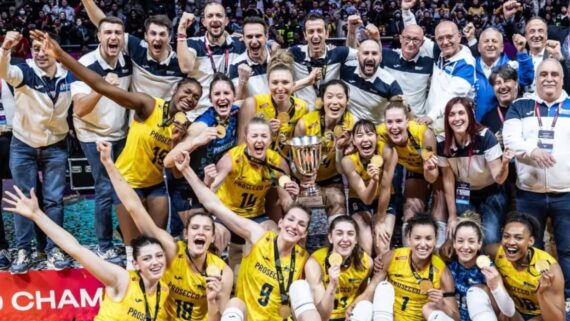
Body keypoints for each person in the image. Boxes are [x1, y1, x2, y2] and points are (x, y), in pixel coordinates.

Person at [30, 29, 205, 269]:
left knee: (157, 244)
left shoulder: (186, 126)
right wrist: (60, 55)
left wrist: (176, 142)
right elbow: (102, 85)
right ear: (175, 91)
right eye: (187, 92)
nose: (190, 98)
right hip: (127, 181)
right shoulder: (148, 104)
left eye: (196, 97)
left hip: (155, 184)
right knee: (135, 250)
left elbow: (175, 174)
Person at [98, 140, 233, 321]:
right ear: (186, 234)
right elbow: (134, 207)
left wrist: (212, 301)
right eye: (195, 227)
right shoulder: (171, 251)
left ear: (212, 237)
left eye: (206, 229)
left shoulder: (223, 272)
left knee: (236, 304)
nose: (200, 232)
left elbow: (216, 319)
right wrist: (108, 163)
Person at [174, 151, 310, 321]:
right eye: (290, 220)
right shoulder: (260, 236)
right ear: (281, 222)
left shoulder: (306, 261)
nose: (294, 226)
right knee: (235, 304)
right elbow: (213, 205)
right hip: (246, 317)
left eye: (301, 224)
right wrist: (186, 169)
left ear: (305, 232)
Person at [2, 187, 169, 321]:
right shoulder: (122, 280)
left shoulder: (165, 292)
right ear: (137, 264)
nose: (155, 262)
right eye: (147, 258)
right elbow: (76, 250)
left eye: (159, 256)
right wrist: (37, 215)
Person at [0, 31, 73, 273]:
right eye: (35, 48)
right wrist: (6, 49)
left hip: (56, 145)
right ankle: (23, 250)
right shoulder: (26, 71)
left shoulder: (69, 74)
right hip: (23, 144)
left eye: (45, 48)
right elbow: (5, 72)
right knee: (23, 199)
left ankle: (54, 247)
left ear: (56, 50)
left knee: (53, 201)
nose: (40, 53)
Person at [503, 58, 570, 304]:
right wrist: (532, 151)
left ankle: (567, 298)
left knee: (568, 250)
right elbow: (509, 139)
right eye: (543, 74)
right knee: (533, 250)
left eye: (554, 74)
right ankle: (535, 295)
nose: (549, 78)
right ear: (536, 78)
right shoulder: (520, 106)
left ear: (562, 79)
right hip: (528, 194)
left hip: (567, 193)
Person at [70, 16, 132, 264]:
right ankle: (104, 245)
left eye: (118, 32)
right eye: (108, 32)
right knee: (105, 189)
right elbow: (79, 110)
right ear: (99, 36)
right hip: (93, 135)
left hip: (120, 133)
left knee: (127, 190)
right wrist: (101, 87)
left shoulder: (127, 61)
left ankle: (124, 236)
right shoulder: (85, 65)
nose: (113, 37)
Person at [208, 117, 299, 268]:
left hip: (255, 216)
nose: (259, 140)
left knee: (274, 235)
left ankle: (268, 278)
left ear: (270, 140)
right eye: (254, 136)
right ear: (246, 139)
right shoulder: (231, 158)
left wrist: (294, 196)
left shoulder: (278, 162)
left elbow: (286, 201)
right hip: (228, 215)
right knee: (215, 235)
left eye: (264, 136)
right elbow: (212, 188)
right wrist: (209, 180)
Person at [164, 73, 240, 249]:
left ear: (234, 96)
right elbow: (168, 161)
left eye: (226, 94)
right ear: (211, 99)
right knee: (190, 240)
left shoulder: (236, 111)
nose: (222, 98)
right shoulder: (202, 125)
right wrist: (196, 142)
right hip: (186, 187)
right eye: (217, 94)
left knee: (209, 238)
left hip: (209, 184)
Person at [353, 213, 460, 321]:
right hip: (387, 318)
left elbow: (456, 318)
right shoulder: (392, 257)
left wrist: (442, 304)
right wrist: (354, 307)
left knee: (431, 309)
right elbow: (370, 291)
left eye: (428, 238)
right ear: (409, 238)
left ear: (435, 239)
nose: (423, 244)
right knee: (381, 290)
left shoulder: (443, 272)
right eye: (417, 238)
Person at [437, 97, 512, 243]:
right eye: (452, 114)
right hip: (464, 192)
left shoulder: (485, 137)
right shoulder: (441, 142)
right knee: (465, 235)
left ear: (470, 115)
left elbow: (500, 178)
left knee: (490, 239)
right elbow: (447, 179)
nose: (456, 118)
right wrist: (452, 216)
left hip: (491, 191)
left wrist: (505, 165)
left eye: (461, 113)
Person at [375, 98, 444, 249]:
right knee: (410, 211)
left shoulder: (423, 134)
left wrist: (428, 167)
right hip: (414, 170)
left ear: (407, 121)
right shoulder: (381, 133)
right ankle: (409, 254)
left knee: (439, 211)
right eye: (390, 122)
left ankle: (438, 257)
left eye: (399, 121)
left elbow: (432, 177)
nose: (394, 127)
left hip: (438, 171)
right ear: (384, 123)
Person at [82, 0, 186, 100]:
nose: (157, 38)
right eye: (153, 33)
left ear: (169, 38)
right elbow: (103, 22)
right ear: (146, 36)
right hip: (136, 118)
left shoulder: (180, 63)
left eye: (162, 34)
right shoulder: (137, 49)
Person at [402, 0, 476, 133]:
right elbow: (416, 36)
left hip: (454, 127)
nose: (445, 42)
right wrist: (406, 12)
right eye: (440, 38)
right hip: (431, 123)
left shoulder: (466, 64)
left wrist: (431, 116)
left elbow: (451, 94)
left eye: (449, 37)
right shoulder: (439, 52)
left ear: (459, 36)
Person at [485, 212, 565, 321]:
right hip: (513, 310)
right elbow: (473, 250)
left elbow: (559, 319)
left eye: (518, 238)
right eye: (506, 236)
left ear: (530, 241)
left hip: (540, 315)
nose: (511, 242)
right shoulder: (496, 252)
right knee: (481, 289)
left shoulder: (550, 269)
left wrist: (541, 294)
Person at [294, 80, 355, 220]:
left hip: (332, 179)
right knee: (292, 208)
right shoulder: (305, 123)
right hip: (304, 180)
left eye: (340, 97)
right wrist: (302, 176)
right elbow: (294, 160)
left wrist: (340, 148)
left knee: (337, 200)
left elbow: (342, 169)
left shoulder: (352, 125)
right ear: (321, 100)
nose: (335, 102)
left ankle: (336, 238)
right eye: (330, 96)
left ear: (347, 101)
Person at [441, 213, 516, 321]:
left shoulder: (488, 268)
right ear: (454, 243)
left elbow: (506, 311)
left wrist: (495, 287)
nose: (465, 247)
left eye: (471, 241)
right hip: (455, 317)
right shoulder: (448, 268)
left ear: (479, 244)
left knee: (476, 291)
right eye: (460, 241)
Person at [238, 50, 309, 158]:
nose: (280, 88)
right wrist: (263, 132)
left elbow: (300, 150)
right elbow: (240, 147)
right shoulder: (253, 104)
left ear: (293, 84)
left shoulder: (302, 108)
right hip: (253, 165)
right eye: (275, 83)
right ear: (268, 84)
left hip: (282, 166)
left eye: (285, 82)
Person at [178, 3, 246, 110]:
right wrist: (182, 28)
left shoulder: (240, 44)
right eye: (210, 16)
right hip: (200, 111)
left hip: (230, 110)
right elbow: (185, 67)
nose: (214, 19)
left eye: (219, 15)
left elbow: (259, 43)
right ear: (204, 22)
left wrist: (271, 44)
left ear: (226, 21)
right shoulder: (193, 43)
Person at [304, 215, 372, 321]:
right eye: (339, 233)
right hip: (325, 316)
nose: (345, 239)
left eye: (350, 234)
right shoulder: (315, 263)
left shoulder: (366, 262)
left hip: (350, 315)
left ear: (356, 239)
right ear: (330, 238)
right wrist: (332, 285)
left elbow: (364, 296)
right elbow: (321, 315)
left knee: (367, 307)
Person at [288, 13, 358, 110]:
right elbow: (282, 87)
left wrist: (352, 31)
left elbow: (357, 56)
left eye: (319, 31)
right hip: (302, 119)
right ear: (305, 35)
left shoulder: (337, 53)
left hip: (330, 115)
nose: (315, 36)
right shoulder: (294, 53)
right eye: (311, 31)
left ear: (327, 33)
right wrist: (307, 81)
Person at [341, 119, 390, 255]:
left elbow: (386, 188)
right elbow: (366, 199)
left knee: (381, 248)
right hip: (360, 201)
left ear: (376, 137)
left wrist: (379, 221)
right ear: (354, 142)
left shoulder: (386, 152)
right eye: (360, 135)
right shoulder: (348, 161)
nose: (365, 139)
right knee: (366, 249)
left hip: (385, 200)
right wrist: (374, 180)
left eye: (369, 134)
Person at [465, 27, 533, 121]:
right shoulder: (470, 68)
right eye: (486, 41)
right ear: (479, 47)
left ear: (501, 48)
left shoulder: (511, 67)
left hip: (504, 125)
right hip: (477, 128)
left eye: (494, 41)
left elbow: (526, 79)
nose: (490, 44)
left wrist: (522, 52)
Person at [341, 38, 403, 124]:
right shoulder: (346, 69)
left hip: (375, 130)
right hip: (348, 126)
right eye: (366, 53)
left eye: (374, 53)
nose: (370, 58)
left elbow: (403, 112)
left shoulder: (389, 82)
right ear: (357, 55)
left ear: (380, 58)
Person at [380, 23, 434, 117]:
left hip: (417, 119)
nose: (411, 43)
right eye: (407, 38)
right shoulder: (387, 56)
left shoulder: (429, 63)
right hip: (391, 119)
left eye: (416, 39)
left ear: (421, 43)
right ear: (401, 38)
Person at [229, 16, 272, 100]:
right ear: (243, 38)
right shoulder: (236, 65)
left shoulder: (278, 59)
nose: (254, 41)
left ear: (266, 36)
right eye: (249, 37)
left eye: (258, 36)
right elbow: (236, 103)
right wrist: (242, 82)